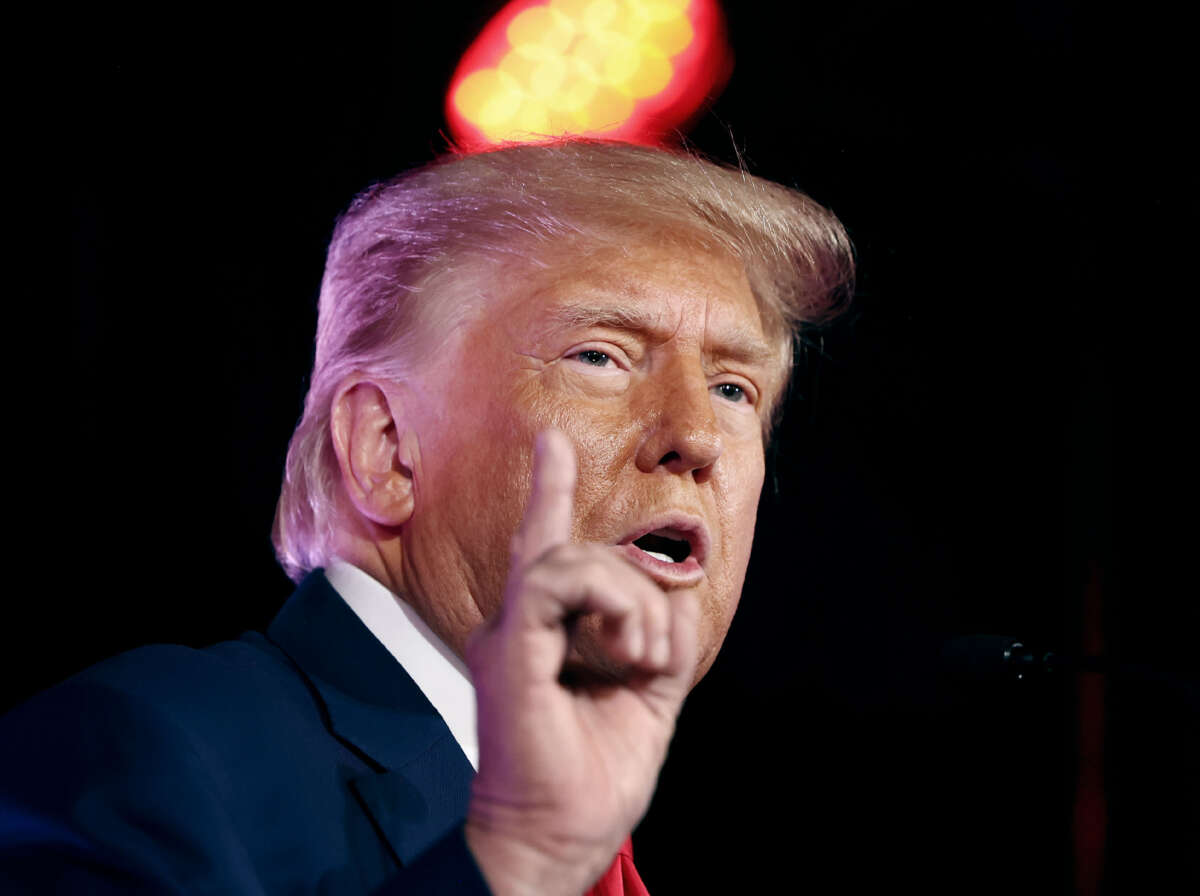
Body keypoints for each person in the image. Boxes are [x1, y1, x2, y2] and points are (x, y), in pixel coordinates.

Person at [0, 140, 853, 894]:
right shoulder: (147, 749)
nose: (697, 435)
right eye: (600, 356)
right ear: (385, 446)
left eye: (734, 388)